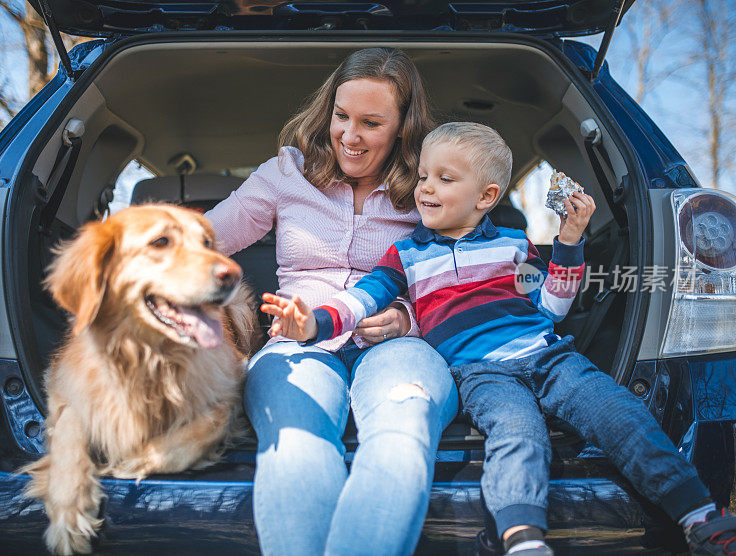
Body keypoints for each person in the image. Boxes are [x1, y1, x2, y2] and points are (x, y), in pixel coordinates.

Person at [262, 121, 736, 556]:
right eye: (424, 175)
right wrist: (315, 324)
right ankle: (523, 539)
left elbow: (550, 306)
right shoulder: (404, 254)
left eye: (445, 179)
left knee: (619, 414)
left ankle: (698, 513)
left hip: (548, 355)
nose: (425, 187)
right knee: (517, 436)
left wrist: (570, 241)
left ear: (486, 196)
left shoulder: (513, 244)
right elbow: (362, 299)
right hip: (480, 373)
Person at [205, 47, 459, 555]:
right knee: (295, 443)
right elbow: (205, 239)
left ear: (404, 130)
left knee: (402, 432)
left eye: (370, 122)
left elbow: (463, 281)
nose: (348, 134)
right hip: (297, 343)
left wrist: (407, 318)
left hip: (398, 345)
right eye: (341, 116)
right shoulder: (286, 173)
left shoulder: (431, 187)